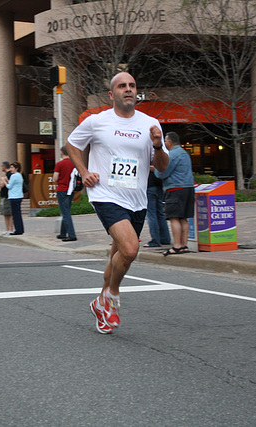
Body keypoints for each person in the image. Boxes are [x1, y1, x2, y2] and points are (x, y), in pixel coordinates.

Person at [67, 71, 168, 334]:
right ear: (112, 95)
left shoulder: (150, 123)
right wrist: (84, 172)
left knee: (118, 255)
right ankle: (110, 296)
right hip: (105, 194)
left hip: (136, 199)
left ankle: (99, 304)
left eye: (132, 85)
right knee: (131, 249)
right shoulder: (97, 121)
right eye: (122, 86)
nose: (128, 89)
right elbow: (72, 145)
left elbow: (161, 168)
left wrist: (157, 146)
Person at [154, 132, 195, 255]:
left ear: (170, 142)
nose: (164, 143)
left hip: (175, 189)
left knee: (174, 217)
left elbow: (162, 172)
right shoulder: (184, 153)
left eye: (165, 141)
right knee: (184, 218)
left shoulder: (172, 154)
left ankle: (176, 246)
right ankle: (184, 245)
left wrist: (155, 170)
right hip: (189, 188)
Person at [53, 145, 78, 241]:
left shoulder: (59, 164)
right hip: (71, 189)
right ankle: (63, 233)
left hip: (62, 189)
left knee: (65, 212)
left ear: (61, 152)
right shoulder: (73, 163)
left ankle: (72, 234)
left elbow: (55, 178)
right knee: (66, 210)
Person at [0, 161, 25, 235]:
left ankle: (18, 230)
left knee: (15, 215)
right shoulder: (19, 175)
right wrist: (7, 180)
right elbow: (12, 184)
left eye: (12, 167)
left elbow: (9, 186)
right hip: (19, 196)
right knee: (18, 214)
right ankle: (20, 229)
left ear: (16, 168)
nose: (11, 169)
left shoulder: (14, 176)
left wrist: (4, 180)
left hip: (14, 197)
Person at [0, 161, 14, 235]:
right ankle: (7, 229)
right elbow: (1, 185)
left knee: (9, 213)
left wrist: (4, 180)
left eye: (2, 166)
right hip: (4, 195)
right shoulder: (6, 175)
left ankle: (11, 229)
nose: (1, 167)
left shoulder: (9, 174)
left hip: (8, 196)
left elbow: (6, 184)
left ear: (4, 166)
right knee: (5, 213)